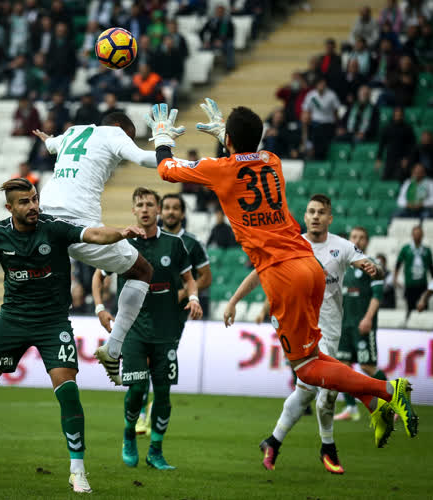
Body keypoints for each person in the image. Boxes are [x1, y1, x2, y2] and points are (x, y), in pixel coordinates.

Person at [146, 99, 419, 451]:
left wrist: (162, 138)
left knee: (306, 369)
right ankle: (373, 404)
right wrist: (227, 138)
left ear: (228, 140)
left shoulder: (221, 169)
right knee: (315, 357)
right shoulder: (272, 160)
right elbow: (247, 155)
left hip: (282, 274)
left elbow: (166, 169)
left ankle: (388, 390)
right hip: (309, 264)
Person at [0, 177, 145, 493]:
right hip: (12, 321)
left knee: (68, 392)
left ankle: (77, 471)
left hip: (52, 323)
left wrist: (121, 233)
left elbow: (94, 234)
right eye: (25, 202)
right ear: (9, 207)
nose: (33, 206)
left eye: (35, 199)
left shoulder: (53, 227)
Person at [224, 195, 382, 473]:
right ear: (305, 217)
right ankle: (328, 448)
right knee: (327, 389)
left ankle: (273, 441)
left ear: (330, 218)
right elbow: (261, 273)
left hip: (330, 328)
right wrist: (234, 300)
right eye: (311, 212)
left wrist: (372, 267)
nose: (316, 216)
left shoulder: (342, 246)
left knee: (306, 391)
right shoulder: (291, 244)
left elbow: (372, 267)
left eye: (321, 212)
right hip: (301, 327)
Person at [32, 112, 158, 385]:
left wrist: (47, 139)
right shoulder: (114, 134)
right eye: (128, 137)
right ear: (119, 127)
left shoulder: (73, 132)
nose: (124, 147)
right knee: (142, 271)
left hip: (43, 221)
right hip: (79, 227)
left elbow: (53, 145)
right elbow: (144, 158)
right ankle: (113, 349)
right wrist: (167, 147)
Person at [92, 187, 202, 470]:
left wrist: (193, 298)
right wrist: (100, 308)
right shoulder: (122, 245)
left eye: (149, 204)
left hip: (166, 331)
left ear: (158, 210)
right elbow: (98, 277)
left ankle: (156, 451)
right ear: (133, 210)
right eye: (139, 205)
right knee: (137, 388)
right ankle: (129, 434)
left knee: (163, 393)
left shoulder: (174, 245)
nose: (144, 209)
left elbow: (190, 279)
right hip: (133, 331)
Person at [334, 227, 387, 422]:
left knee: (367, 366)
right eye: (354, 237)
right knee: (343, 367)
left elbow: (377, 296)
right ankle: (351, 408)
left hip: (363, 325)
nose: (357, 240)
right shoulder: (342, 267)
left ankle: (393, 404)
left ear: (367, 242)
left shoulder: (371, 265)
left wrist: (368, 318)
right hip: (344, 326)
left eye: (362, 238)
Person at [394, 225, 433, 319]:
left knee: (423, 308)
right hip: (410, 284)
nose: (417, 236)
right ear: (412, 235)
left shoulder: (427, 250)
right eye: (415, 234)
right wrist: (395, 278)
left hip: (422, 284)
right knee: (410, 307)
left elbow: (430, 267)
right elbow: (398, 263)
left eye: (419, 234)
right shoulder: (406, 249)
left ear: (422, 235)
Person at [302, 78, 341, 159]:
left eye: (323, 84)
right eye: (320, 84)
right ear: (316, 85)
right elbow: (306, 111)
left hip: (328, 123)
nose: (321, 86)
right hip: (315, 123)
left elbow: (336, 111)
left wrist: (338, 126)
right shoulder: (311, 95)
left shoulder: (331, 95)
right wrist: (306, 121)